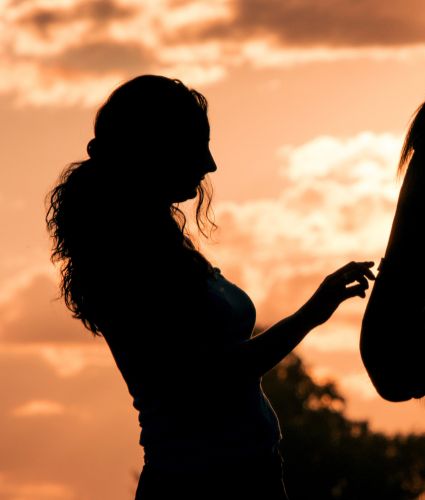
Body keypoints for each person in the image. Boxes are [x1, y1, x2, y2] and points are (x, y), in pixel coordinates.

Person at [46, 75, 375, 499]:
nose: (211, 163)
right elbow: (220, 374)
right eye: (197, 145)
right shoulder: (132, 262)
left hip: (246, 475)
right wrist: (314, 311)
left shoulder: (163, 246)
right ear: (157, 148)